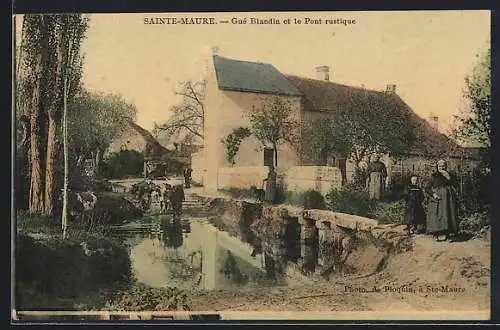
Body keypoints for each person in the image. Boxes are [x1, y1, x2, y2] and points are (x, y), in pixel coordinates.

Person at [425, 159, 459, 242]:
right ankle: (436, 234)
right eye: (440, 166)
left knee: (447, 214)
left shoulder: (450, 175)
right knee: (437, 215)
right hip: (437, 198)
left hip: (448, 199)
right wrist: (433, 194)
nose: (441, 167)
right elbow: (427, 188)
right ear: (437, 166)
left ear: (446, 166)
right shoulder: (433, 176)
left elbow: (456, 185)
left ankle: (447, 234)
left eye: (443, 166)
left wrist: (448, 177)